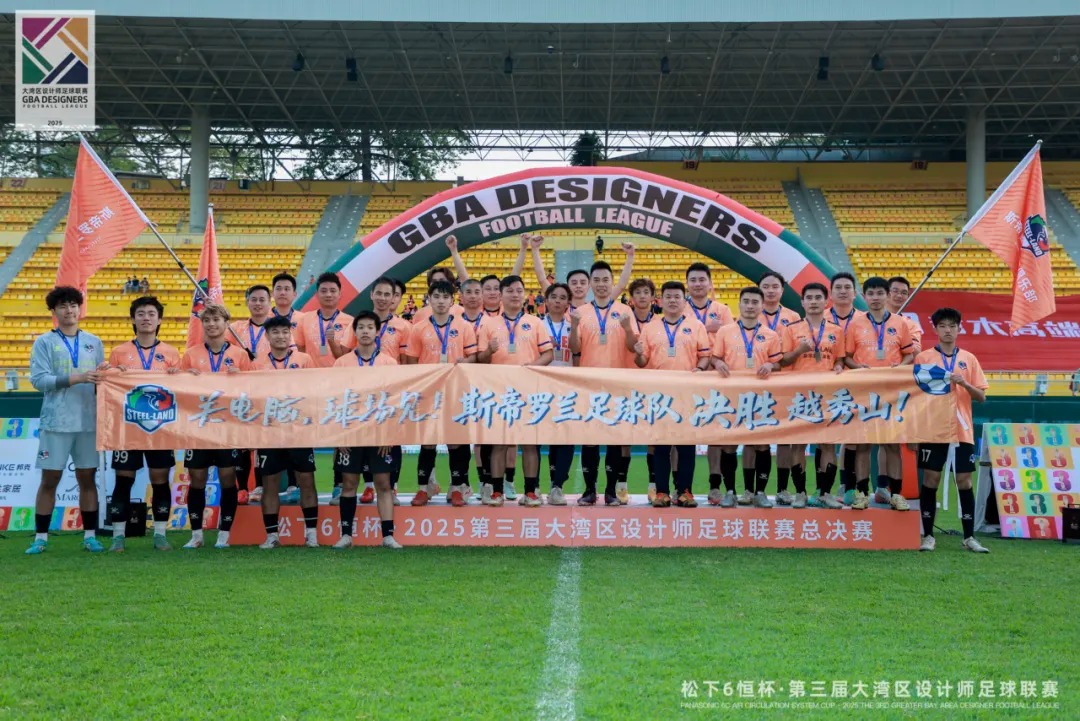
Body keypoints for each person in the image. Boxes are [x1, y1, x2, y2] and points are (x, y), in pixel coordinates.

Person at [25, 286, 108, 555]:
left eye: (73, 305)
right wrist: (77, 378)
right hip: (56, 422)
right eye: (62, 306)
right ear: (54, 311)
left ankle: (90, 536)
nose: (69, 310)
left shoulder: (94, 342)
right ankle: (40, 538)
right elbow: (39, 381)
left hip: (88, 422)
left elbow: (102, 382)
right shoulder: (44, 342)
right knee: (50, 479)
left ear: (80, 309)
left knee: (87, 478)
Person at [106, 295, 182, 552]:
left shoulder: (171, 353)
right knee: (123, 480)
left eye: (151, 314)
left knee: (160, 480)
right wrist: (109, 374)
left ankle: (160, 534)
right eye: (141, 314)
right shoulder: (119, 352)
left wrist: (178, 377)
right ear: (133, 319)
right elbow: (109, 390)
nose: (146, 318)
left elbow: (180, 392)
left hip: (160, 428)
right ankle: (118, 536)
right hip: (128, 428)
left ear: (159, 320)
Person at [915, 308, 990, 553]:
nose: (948, 330)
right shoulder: (924, 358)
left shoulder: (969, 359)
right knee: (931, 478)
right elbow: (914, 395)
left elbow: (981, 397)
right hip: (933, 429)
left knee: (964, 480)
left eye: (952, 326)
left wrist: (964, 383)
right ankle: (928, 535)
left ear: (959, 329)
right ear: (935, 329)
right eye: (943, 326)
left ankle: (969, 537)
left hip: (961, 430)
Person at [178, 304, 252, 549]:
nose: (211, 324)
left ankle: (224, 534)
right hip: (198, 427)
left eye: (216, 319)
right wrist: (184, 378)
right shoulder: (190, 355)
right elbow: (179, 390)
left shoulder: (240, 355)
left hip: (228, 428)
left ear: (226, 323)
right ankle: (196, 535)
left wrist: (240, 377)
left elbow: (252, 390)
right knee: (197, 479)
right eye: (207, 320)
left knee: (227, 478)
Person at [632, 281, 711, 507]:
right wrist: (638, 354)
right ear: (660, 300)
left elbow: (705, 356)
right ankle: (662, 492)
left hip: (687, 395)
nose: (673, 300)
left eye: (677, 296)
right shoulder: (651, 327)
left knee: (686, 446)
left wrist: (701, 369)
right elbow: (642, 362)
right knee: (661, 446)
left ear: (685, 301)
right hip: (660, 396)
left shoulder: (696, 326)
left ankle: (685, 491)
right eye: (668, 297)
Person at [477, 275, 553, 506]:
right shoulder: (488, 324)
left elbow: (548, 354)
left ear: (524, 294)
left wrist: (532, 366)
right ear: (501, 295)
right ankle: (497, 492)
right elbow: (480, 359)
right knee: (499, 443)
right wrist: (489, 351)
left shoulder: (535, 322)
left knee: (530, 444)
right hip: (499, 393)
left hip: (529, 392)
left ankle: (530, 492)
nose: (515, 294)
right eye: (509, 290)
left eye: (519, 290)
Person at [331, 311, 404, 550]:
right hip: (351, 432)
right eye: (360, 327)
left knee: (383, 483)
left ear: (377, 332)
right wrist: (340, 435)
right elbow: (335, 400)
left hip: (380, 432)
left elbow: (395, 400)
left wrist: (388, 434)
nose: (365, 331)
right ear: (354, 332)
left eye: (369, 327)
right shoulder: (342, 363)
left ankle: (388, 536)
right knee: (349, 483)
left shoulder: (389, 363)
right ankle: (346, 535)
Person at [403, 280, 478, 506]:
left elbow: (473, 357)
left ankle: (457, 488)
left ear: (452, 301)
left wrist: (465, 362)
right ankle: (423, 488)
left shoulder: (464, 327)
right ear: (429, 299)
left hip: (456, 392)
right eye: (436, 296)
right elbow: (411, 362)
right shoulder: (418, 328)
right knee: (428, 442)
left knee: (455, 442)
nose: (441, 301)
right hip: (429, 394)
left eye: (445, 297)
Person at [844, 276, 915, 511]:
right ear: (864, 297)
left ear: (887, 295)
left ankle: (897, 494)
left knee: (892, 445)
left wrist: (900, 367)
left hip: (891, 393)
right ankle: (862, 494)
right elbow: (846, 357)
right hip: (864, 393)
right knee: (863, 446)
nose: (875, 298)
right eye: (871, 294)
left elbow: (909, 354)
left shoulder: (901, 323)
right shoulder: (855, 324)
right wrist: (858, 367)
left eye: (880, 293)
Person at [710, 286, 783, 508]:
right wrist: (718, 363)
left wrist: (770, 365)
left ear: (762, 306)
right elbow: (715, 358)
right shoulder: (725, 331)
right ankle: (730, 492)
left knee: (761, 445)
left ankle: (760, 493)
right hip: (731, 398)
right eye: (746, 301)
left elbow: (778, 363)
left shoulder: (771, 335)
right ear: (739, 304)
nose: (750, 306)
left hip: (760, 399)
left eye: (755, 302)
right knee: (729, 446)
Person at [569, 260, 634, 506]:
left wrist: (628, 329)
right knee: (590, 440)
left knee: (614, 440)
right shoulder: (581, 312)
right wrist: (574, 326)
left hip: (617, 385)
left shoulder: (624, 311)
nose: (601, 284)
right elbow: (575, 349)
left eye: (605, 280)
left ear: (612, 281)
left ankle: (610, 491)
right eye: (596, 280)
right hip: (590, 385)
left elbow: (633, 347)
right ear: (590, 284)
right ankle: (589, 490)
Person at [252, 315, 319, 549]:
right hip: (270, 433)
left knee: (306, 481)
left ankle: (311, 534)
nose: (280, 336)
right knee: (270, 484)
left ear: (290, 334)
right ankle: (272, 535)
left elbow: (315, 391)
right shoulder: (257, 364)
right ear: (267, 336)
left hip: (298, 431)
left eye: (284, 332)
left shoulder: (304, 359)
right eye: (275, 332)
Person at [779, 283, 846, 509]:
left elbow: (839, 358)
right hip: (799, 396)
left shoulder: (836, 330)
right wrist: (799, 350)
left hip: (827, 396)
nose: (814, 301)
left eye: (818, 297)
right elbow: (783, 360)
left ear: (826, 301)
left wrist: (839, 365)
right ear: (802, 302)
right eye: (809, 298)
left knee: (827, 445)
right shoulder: (791, 329)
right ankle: (800, 493)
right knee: (798, 445)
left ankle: (825, 493)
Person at [684, 262, 736, 500]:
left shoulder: (722, 309)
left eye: (701, 279)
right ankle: (680, 486)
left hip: (716, 376)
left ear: (709, 283)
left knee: (717, 434)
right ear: (687, 284)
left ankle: (716, 485)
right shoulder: (680, 307)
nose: (697, 284)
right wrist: (708, 328)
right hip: (688, 376)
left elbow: (731, 337)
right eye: (693, 280)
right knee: (680, 434)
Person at [758, 271, 804, 505]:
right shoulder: (751, 312)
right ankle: (755, 490)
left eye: (775, 286)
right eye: (766, 286)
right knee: (757, 439)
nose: (770, 290)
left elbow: (794, 351)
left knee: (785, 440)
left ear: (782, 290)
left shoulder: (793, 316)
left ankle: (783, 489)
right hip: (759, 384)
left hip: (786, 383)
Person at [829, 271, 864, 505]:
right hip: (826, 387)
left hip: (857, 387)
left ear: (855, 293)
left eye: (847, 287)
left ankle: (848, 486)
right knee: (827, 439)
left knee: (854, 438)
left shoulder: (865, 319)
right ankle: (823, 489)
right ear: (830, 294)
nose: (843, 291)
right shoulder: (819, 318)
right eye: (838, 288)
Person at [623, 277, 658, 500]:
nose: (642, 296)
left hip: (654, 386)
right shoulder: (624, 320)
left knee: (653, 439)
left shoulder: (662, 322)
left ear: (653, 297)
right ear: (631, 298)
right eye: (638, 293)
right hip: (627, 383)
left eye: (646, 292)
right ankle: (621, 484)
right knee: (624, 437)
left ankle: (653, 485)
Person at [527, 234, 635, 304]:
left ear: (589, 285)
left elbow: (621, 286)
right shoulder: (561, 306)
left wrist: (630, 256)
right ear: (568, 286)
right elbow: (542, 280)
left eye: (583, 282)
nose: (578, 286)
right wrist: (535, 249)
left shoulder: (597, 307)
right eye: (574, 283)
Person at [542, 282, 575, 505]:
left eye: (563, 297)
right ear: (546, 300)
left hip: (567, 388)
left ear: (568, 303)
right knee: (542, 438)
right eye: (553, 296)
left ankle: (558, 486)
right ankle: (534, 487)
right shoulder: (536, 325)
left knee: (566, 438)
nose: (557, 301)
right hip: (541, 387)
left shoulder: (573, 326)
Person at [294, 272, 354, 368]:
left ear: (339, 294)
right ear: (317, 294)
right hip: (311, 374)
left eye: (333, 291)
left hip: (339, 374)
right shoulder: (304, 319)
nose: (328, 295)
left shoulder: (350, 321)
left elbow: (350, 356)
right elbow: (300, 349)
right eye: (324, 291)